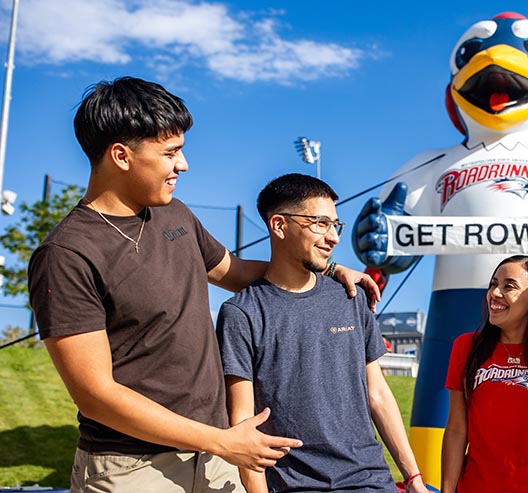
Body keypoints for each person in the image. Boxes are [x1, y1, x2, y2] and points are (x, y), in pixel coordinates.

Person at [27, 77, 379, 493]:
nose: (184, 164)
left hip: (213, 461)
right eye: (170, 152)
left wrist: (329, 268)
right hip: (132, 470)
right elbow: (95, 395)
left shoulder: (175, 215)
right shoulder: (67, 254)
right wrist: (224, 442)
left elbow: (237, 272)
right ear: (121, 156)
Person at [217, 173, 427, 493]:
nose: (333, 237)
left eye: (335, 225)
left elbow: (378, 394)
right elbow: (243, 423)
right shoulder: (241, 313)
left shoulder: (350, 297)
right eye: (320, 223)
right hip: (292, 486)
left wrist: (413, 479)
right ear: (279, 225)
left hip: (370, 482)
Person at [441, 255, 528, 492]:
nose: (494, 293)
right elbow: (456, 428)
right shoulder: (466, 347)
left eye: (509, 286)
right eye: (493, 284)